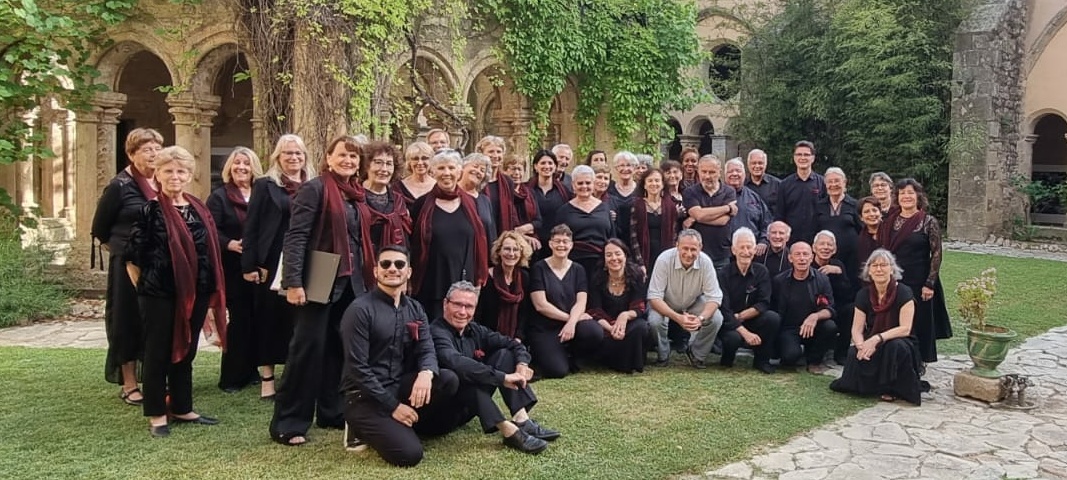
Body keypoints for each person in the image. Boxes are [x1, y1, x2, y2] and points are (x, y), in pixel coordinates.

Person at [269, 135, 369, 446]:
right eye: (343, 155)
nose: (348, 161)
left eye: (354, 157)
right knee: (307, 349)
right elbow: (296, 237)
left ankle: (332, 410)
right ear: (328, 157)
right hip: (320, 275)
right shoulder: (314, 189)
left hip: (351, 282)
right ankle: (289, 421)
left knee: (339, 350)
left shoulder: (356, 194)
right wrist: (293, 282)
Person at [125, 145, 227, 437]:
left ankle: (182, 407)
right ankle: (157, 413)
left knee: (187, 350)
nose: (174, 176)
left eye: (180, 171)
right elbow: (132, 258)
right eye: (168, 170)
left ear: (189, 175)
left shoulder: (198, 207)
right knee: (158, 352)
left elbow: (208, 252)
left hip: (196, 293)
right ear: (157, 174)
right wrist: (146, 291)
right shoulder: (150, 209)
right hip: (160, 294)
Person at [339, 245, 459, 466]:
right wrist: (393, 406)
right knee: (409, 455)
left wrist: (426, 372)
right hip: (364, 396)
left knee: (447, 380)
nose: (392, 269)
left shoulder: (414, 308)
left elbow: (427, 348)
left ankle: (401, 425)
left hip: (398, 384)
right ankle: (356, 425)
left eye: (399, 264)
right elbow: (357, 368)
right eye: (385, 264)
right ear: (375, 271)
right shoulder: (359, 310)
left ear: (408, 272)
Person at [427, 281, 559, 454]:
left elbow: (513, 344)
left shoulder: (474, 330)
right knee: (462, 374)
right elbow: (456, 362)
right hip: (440, 416)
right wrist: (503, 378)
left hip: (467, 409)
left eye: (469, 306)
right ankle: (508, 431)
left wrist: (522, 364)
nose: (462, 312)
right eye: (458, 304)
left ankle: (522, 419)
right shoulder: (435, 332)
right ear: (445, 304)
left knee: (504, 354)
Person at [91, 127, 163, 407]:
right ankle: (130, 384)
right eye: (147, 149)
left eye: (157, 148)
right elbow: (100, 229)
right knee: (126, 320)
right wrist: (125, 252)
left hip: (157, 265)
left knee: (154, 320)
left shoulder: (162, 182)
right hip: (127, 266)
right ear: (132, 154)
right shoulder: (120, 186)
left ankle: (156, 375)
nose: (154, 154)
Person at [242, 134, 314, 400]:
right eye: (288, 154)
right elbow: (251, 226)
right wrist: (250, 264)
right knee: (269, 319)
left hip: (304, 260)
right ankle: (268, 379)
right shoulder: (265, 186)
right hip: (271, 260)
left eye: (298, 153)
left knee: (300, 321)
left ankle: (296, 376)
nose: (293, 158)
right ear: (277, 158)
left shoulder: (313, 185)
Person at [830, 249, 926, 405]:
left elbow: (905, 328)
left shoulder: (904, 292)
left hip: (900, 340)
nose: (879, 269)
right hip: (872, 339)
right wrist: (861, 345)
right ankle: (869, 386)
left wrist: (877, 338)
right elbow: (856, 328)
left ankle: (892, 388)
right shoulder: (863, 294)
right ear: (869, 271)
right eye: (874, 266)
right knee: (854, 351)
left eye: (883, 265)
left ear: (892, 269)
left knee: (894, 347)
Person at [877, 178, 951, 364]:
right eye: (902, 193)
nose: (906, 197)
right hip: (895, 280)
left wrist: (930, 283)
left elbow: (936, 254)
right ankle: (896, 355)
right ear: (897, 197)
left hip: (920, 281)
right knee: (894, 319)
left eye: (910, 193)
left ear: (919, 196)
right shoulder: (890, 221)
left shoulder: (928, 221)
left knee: (919, 321)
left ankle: (918, 360)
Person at [207, 147, 263, 393]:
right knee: (239, 321)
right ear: (229, 167)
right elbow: (210, 229)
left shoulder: (261, 194)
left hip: (258, 267)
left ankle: (251, 371)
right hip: (232, 267)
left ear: (254, 169)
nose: (242, 167)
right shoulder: (219, 197)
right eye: (237, 163)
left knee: (255, 320)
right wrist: (229, 244)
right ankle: (230, 377)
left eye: (247, 163)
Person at [411, 149, 489, 319]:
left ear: (460, 171)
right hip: (432, 282)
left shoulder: (472, 204)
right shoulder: (421, 205)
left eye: (451, 168)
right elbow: (413, 245)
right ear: (433, 171)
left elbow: (479, 242)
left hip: (464, 282)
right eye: (441, 168)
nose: (446, 173)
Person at [526, 224, 605, 379]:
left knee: (594, 331)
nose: (561, 245)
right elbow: (540, 305)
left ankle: (574, 357)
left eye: (565, 241)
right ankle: (554, 354)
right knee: (557, 371)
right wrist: (570, 320)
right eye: (557, 241)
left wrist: (572, 323)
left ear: (571, 245)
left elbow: (581, 302)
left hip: (571, 324)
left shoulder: (578, 269)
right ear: (550, 244)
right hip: (545, 327)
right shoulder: (539, 268)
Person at [646, 229, 725, 368]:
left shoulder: (706, 262)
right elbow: (654, 297)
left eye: (693, 249)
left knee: (716, 318)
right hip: (665, 302)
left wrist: (700, 319)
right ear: (677, 246)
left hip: (692, 302)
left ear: (700, 248)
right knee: (654, 320)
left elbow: (715, 297)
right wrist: (678, 318)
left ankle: (696, 354)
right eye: (685, 248)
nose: (689, 254)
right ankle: (663, 355)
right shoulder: (664, 259)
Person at [717, 228, 780, 374]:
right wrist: (744, 331)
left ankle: (761, 361)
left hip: (751, 318)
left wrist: (741, 316)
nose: (746, 251)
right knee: (733, 339)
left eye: (749, 247)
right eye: (742, 247)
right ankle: (727, 359)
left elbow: (763, 302)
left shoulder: (761, 271)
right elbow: (724, 308)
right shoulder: (723, 273)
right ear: (733, 250)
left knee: (772, 318)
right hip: (729, 322)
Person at [772, 242, 838, 374]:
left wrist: (815, 316)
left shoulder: (822, 280)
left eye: (805, 254)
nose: (802, 258)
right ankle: (792, 351)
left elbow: (830, 309)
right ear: (790, 258)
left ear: (811, 258)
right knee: (789, 358)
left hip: (814, 327)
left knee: (830, 326)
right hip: (789, 329)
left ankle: (814, 361)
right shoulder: (779, 281)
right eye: (797, 254)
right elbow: (774, 311)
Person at [587, 239, 650, 373]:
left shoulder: (637, 275)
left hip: (628, 325)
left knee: (641, 327)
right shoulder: (597, 278)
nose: (614, 258)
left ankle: (629, 362)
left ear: (625, 256)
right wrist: (611, 328)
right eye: (609, 255)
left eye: (618, 253)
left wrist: (624, 316)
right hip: (605, 326)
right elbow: (595, 310)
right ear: (604, 259)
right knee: (594, 331)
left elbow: (639, 307)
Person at [555, 165, 614, 286]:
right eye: (580, 183)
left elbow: (612, 238)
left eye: (588, 183)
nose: (584, 186)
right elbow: (558, 240)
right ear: (573, 185)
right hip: (573, 265)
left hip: (601, 265)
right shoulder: (563, 211)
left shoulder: (605, 208)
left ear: (593, 184)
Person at [476, 231, 534, 339]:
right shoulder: (487, 277)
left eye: (516, 249)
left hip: (516, 339)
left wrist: (518, 337)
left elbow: (524, 313)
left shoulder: (524, 278)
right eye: (507, 249)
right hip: (488, 338)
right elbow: (479, 314)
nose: (511, 254)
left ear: (521, 253)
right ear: (499, 251)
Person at [359, 141, 411, 259]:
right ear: (366, 165)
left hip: (391, 267)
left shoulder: (399, 201)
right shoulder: (354, 197)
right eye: (378, 162)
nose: (384, 169)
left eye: (389, 164)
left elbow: (406, 240)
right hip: (361, 264)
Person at [683, 154, 737, 269]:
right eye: (704, 172)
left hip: (721, 255)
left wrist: (699, 217)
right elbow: (699, 214)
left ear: (719, 172)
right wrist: (727, 208)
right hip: (695, 254)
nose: (707, 176)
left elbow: (723, 220)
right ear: (698, 171)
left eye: (712, 172)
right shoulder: (690, 192)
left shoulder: (729, 192)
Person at [812, 230, 854, 366]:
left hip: (836, 307)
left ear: (835, 249)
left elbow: (848, 294)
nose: (825, 247)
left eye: (829, 245)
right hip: (815, 309)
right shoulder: (807, 263)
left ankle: (841, 353)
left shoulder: (838, 265)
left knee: (851, 310)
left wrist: (838, 274)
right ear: (814, 247)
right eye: (822, 244)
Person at [815, 167, 862, 288]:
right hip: (826, 257)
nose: (833, 184)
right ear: (825, 184)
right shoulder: (819, 206)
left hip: (851, 258)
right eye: (830, 182)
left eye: (837, 181)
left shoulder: (855, 205)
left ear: (844, 182)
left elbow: (862, 230)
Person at [776, 140, 826, 244]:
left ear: (813, 158)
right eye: (799, 154)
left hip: (816, 241)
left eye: (806, 155)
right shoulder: (784, 185)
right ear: (794, 158)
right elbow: (780, 215)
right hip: (791, 241)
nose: (802, 158)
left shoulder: (822, 183)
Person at [630, 168, 678, 272]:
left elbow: (674, 235)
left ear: (662, 184)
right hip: (644, 257)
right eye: (650, 180)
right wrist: (640, 263)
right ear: (644, 185)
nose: (654, 184)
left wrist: (671, 260)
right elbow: (633, 237)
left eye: (657, 180)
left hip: (665, 257)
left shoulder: (670, 206)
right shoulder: (637, 205)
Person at [528, 149, 571, 258]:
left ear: (555, 167)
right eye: (543, 163)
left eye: (550, 163)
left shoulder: (564, 191)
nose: (547, 166)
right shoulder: (526, 190)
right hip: (532, 244)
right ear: (535, 166)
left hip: (556, 245)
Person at [724, 157, 771, 255]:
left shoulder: (754, 197)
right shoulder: (716, 196)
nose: (734, 174)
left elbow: (767, 223)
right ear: (724, 175)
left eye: (738, 171)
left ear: (744, 175)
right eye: (730, 171)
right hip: (724, 253)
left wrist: (763, 241)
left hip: (750, 252)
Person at [459, 152, 498, 249]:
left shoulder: (485, 201)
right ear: (463, 167)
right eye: (475, 166)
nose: (478, 171)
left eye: (482, 170)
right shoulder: (452, 194)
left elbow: (491, 233)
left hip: (481, 255)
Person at [606, 151, 639, 244]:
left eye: (629, 165)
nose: (625, 169)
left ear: (635, 168)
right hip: (614, 239)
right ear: (616, 168)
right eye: (621, 165)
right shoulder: (608, 190)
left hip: (636, 239)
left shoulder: (641, 191)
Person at [394, 141, 435, 215]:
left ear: (431, 161)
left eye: (424, 158)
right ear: (409, 162)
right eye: (415, 159)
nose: (420, 163)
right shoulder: (397, 188)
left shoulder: (439, 187)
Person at [745, 149, 780, 217]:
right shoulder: (742, 186)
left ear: (765, 164)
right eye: (753, 163)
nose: (757, 166)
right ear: (748, 164)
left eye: (760, 163)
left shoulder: (778, 185)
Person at [856, 196, 883, 270]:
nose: (871, 214)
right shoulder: (860, 240)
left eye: (874, 210)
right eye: (866, 212)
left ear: (880, 213)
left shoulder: (891, 233)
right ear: (861, 217)